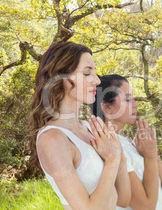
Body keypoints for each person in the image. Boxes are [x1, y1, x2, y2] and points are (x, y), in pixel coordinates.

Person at [28, 42, 131, 209]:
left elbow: (124, 199)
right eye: (87, 73)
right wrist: (112, 160)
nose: (96, 81)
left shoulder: (89, 127)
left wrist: (120, 158)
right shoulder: (52, 139)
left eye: (95, 73)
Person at [92, 74, 162, 210]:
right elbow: (145, 206)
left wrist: (152, 155)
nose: (135, 104)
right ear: (107, 108)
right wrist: (149, 157)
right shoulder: (109, 146)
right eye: (128, 99)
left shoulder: (131, 143)